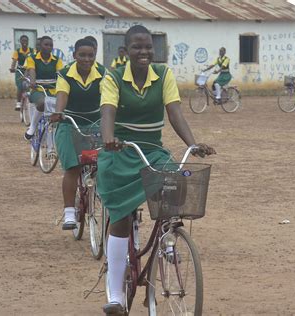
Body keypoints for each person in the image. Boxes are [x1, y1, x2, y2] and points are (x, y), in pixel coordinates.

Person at [97, 25, 215, 315]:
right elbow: (107, 111)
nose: (144, 52)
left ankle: (169, 240)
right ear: (125, 51)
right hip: (121, 151)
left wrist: (192, 142)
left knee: (175, 185)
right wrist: (108, 138)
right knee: (121, 218)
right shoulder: (113, 77)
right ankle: (115, 294)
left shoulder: (164, 76)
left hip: (151, 150)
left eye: (148, 47)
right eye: (137, 47)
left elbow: (175, 112)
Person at [50, 38, 106, 230]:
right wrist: (58, 112)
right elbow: (62, 95)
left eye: (90, 55)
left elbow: (107, 97)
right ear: (74, 56)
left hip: (95, 123)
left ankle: (105, 201)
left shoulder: (103, 73)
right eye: (82, 55)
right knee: (72, 168)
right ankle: (69, 213)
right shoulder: (65, 74)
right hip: (69, 124)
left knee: (105, 162)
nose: (86, 59)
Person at [24, 36, 63, 140]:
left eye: (51, 45)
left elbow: (60, 74)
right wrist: (32, 81)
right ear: (40, 46)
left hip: (53, 89)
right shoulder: (32, 58)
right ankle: (32, 126)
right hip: (38, 89)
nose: (49, 47)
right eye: (46, 44)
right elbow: (32, 70)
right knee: (42, 103)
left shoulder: (56, 60)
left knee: (63, 106)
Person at [9, 35, 34, 111]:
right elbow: (14, 61)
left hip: (29, 69)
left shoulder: (32, 51)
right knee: (20, 85)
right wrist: (12, 68)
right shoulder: (17, 51)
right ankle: (18, 103)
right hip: (20, 70)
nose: (24, 42)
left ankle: (31, 101)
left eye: (26, 41)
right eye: (23, 41)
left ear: (28, 42)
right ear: (20, 42)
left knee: (31, 84)